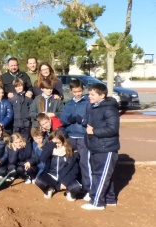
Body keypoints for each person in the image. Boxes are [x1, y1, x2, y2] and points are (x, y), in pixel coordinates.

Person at [81, 83, 120, 211]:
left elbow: (113, 129)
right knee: (103, 174)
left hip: (106, 147)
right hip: (95, 146)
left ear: (102, 95)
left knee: (100, 175)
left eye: (92, 94)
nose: (89, 96)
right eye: (89, 94)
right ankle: (110, 199)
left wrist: (95, 131)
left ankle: (96, 202)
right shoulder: (93, 107)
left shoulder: (109, 109)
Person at [59, 79, 91, 199]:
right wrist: (70, 119)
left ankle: (87, 189)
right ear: (71, 91)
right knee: (69, 163)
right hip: (71, 137)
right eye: (75, 91)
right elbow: (63, 119)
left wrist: (82, 120)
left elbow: (90, 118)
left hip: (83, 137)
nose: (77, 94)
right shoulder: (69, 104)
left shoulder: (87, 102)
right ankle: (71, 186)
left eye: (79, 91)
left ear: (82, 90)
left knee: (85, 163)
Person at [34, 130, 82, 201]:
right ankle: (50, 189)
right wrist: (51, 145)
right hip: (52, 176)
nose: (56, 145)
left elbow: (75, 169)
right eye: (53, 143)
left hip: (66, 178)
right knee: (38, 181)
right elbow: (42, 158)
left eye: (59, 142)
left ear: (63, 141)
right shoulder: (49, 151)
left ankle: (69, 192)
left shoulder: (70, 152)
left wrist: (64, 182)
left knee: (77, 187)